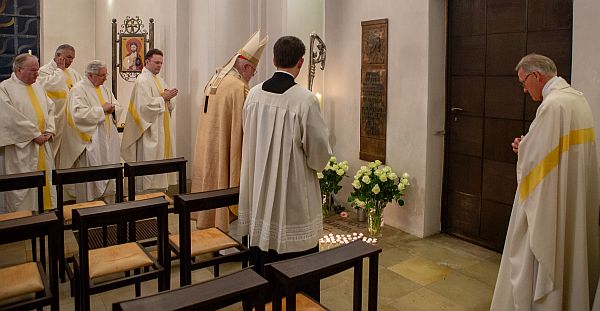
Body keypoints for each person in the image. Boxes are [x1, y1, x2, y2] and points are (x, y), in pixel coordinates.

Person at [492, 53, 600, 310]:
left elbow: (540, 161)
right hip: (572, 196)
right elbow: (556, 152)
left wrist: (524, 148)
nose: (524, 89)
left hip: (552, 201)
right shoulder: (577, 100)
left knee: (537, 254)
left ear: (536, 76)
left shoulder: (553, 106)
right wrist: (528, 145)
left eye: (523, 82)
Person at [238, 36, 332, 300]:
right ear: (300, 62)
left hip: (259, 190)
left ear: (273, 60)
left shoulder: (253, 95)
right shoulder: (305, 100)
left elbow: (249, 137)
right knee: (298, 268)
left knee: (264, 260)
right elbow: (319, 153)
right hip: (293, 196)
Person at [192, 30, 268, 232]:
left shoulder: (215, 79)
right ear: (245, 66)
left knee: (211, 181)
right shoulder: (238, 87)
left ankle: (209, 225)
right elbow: (246, 128)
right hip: (226, 150)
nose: (253, 75)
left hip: (210, 148)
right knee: (226, 182)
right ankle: (227, 235)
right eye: (253, 70)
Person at [0, 54, 57, 212]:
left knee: (44, 184)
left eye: (37, 70)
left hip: (42, 144)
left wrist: (49, 130)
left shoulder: (38, 86)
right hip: (21, 148)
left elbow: (50, 108)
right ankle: (23, 223)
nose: (37, 74)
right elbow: (9, 117)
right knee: (22, 189)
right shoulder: (5, 88)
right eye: (33, 70)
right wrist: (33, 134)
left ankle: (43, 216)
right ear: (19, 70)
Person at [59, 60, 121, 203]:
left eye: (106, 75)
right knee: (90, 182)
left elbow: (115, 104)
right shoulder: (78, 90)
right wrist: (102, 110)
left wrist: (113, 108)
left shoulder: (104, 88)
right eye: (102, 75)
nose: (106, 78)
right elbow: (77, 115)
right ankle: (88, 215)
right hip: (90, 142)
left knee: (110, 174)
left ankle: (110, 210)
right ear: (91, 75)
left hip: (108, 139)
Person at [121, 48, 178, 191]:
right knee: (149, 160)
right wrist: (163, 98)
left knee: (160, 160)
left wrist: (169, 99)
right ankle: (145, 194)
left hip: (161, 128)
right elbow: (144, 107)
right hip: (149, 130)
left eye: (161, 63)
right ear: (147, 61)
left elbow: (167, 104)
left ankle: (159, 193)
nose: (159, 66)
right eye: (156, 62)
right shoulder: (142, 81)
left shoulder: (159, 80)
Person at [37, 44, 83, 163]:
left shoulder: (73, 73)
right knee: (54, 156)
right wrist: (59, 71)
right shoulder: (44, 71)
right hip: (56, 120)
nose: (71, 61)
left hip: (71, 121)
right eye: (68, 57)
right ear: (58, 55)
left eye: (72, 58)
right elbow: (46, 88)